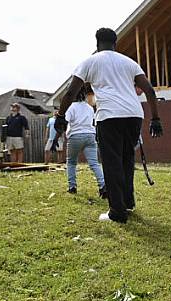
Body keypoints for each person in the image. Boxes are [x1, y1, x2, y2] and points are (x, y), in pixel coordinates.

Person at [55, 27, 162, 223]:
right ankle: (127, 203)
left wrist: (61, 115)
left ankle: (117, 213)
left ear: (97, 44)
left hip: (110, 116)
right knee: (126, 160)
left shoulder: (90, 62)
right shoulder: (129, 62)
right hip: (134, 115)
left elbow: (71, 93)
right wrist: (155, 119)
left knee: (112, 163)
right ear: (116, 43)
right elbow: (149, 90)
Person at [65, 85, 105, 197]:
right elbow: (93, 122)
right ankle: (103, 185)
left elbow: (66, 120)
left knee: (71, 162)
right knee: (94, 163)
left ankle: (72, 186)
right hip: (90, 135)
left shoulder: (71, 107)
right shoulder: (89, 107)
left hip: (75, 136)